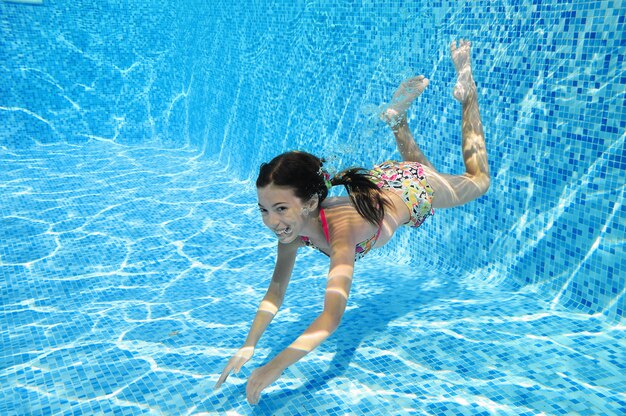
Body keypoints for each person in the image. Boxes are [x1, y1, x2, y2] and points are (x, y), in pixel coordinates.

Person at [214, 40, 489, 405]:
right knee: (426, 171)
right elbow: (275, 293)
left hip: (409, 190)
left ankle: (466, 92)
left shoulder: (342, 236)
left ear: (311, 202)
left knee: (479, 180)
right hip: (386, 183)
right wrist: (249, 346)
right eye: (264, 210)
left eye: (280, 208)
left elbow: (329, 319)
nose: (273, 222)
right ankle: (396, 119)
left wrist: (274, 367)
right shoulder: (292, 229)